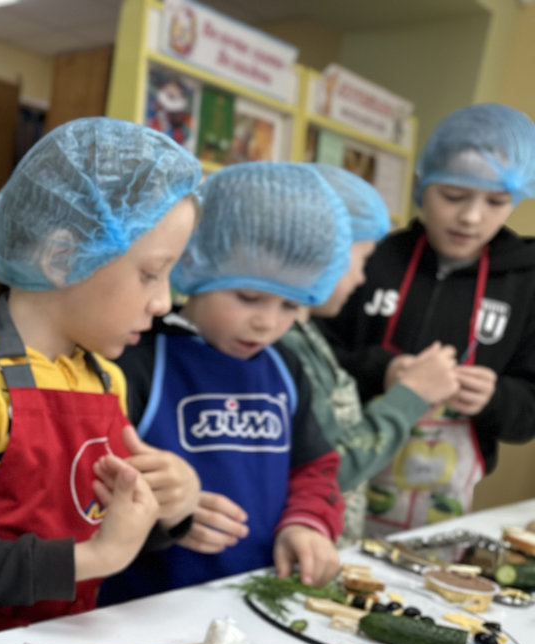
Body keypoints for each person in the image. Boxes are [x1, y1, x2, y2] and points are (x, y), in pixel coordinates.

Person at [0, 118, 203, 638]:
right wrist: (99, 556)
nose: (164, 302)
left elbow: (100, 520)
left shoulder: (106, 380)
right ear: (62, 258)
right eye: (150, 273)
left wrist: (171, 508)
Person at [100, 162, 347, 602]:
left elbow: (315, 468)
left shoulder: (284, 368)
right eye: (248, 297)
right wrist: (168, 513)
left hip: (254, 600)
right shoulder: (138, 358)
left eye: (291, 305)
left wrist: (306, 523)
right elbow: (93, 477)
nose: (267, 322)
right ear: (194, 264)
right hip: (142, 607)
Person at [319, 103, 535, 533]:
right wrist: (382, 371)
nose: (471, 217)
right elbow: (313, 358)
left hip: (442, 508)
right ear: (421, 184)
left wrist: (495, 398)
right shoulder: (371, 258)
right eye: (453, 196)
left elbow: (527, 414)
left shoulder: (526, 281)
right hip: (333, 482)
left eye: (496, 202)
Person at [280, 164, 460, 544]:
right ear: (322, 251)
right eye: (361, 259)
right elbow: (333, 465)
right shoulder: (282, 344)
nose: (362, 278)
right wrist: (412, 394)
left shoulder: (307, 334)